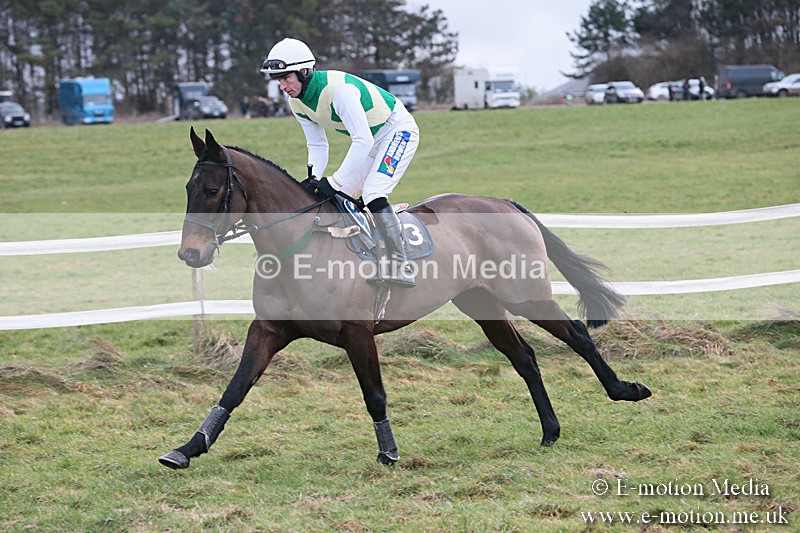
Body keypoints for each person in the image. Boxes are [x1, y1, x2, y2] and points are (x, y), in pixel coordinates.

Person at [260, 38, 419, 288]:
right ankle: (366, 254)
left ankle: (402, 264)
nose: (282, 86)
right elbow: (317, 144)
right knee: (339, 196)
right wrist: (314, 177)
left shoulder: (338, 91)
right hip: (371, 138)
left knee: (373, 192)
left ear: (304, 71)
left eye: (285, 77)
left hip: (397, 131)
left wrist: (334, 181)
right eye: (277, 79)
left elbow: (362, 139)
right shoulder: (297, 102)